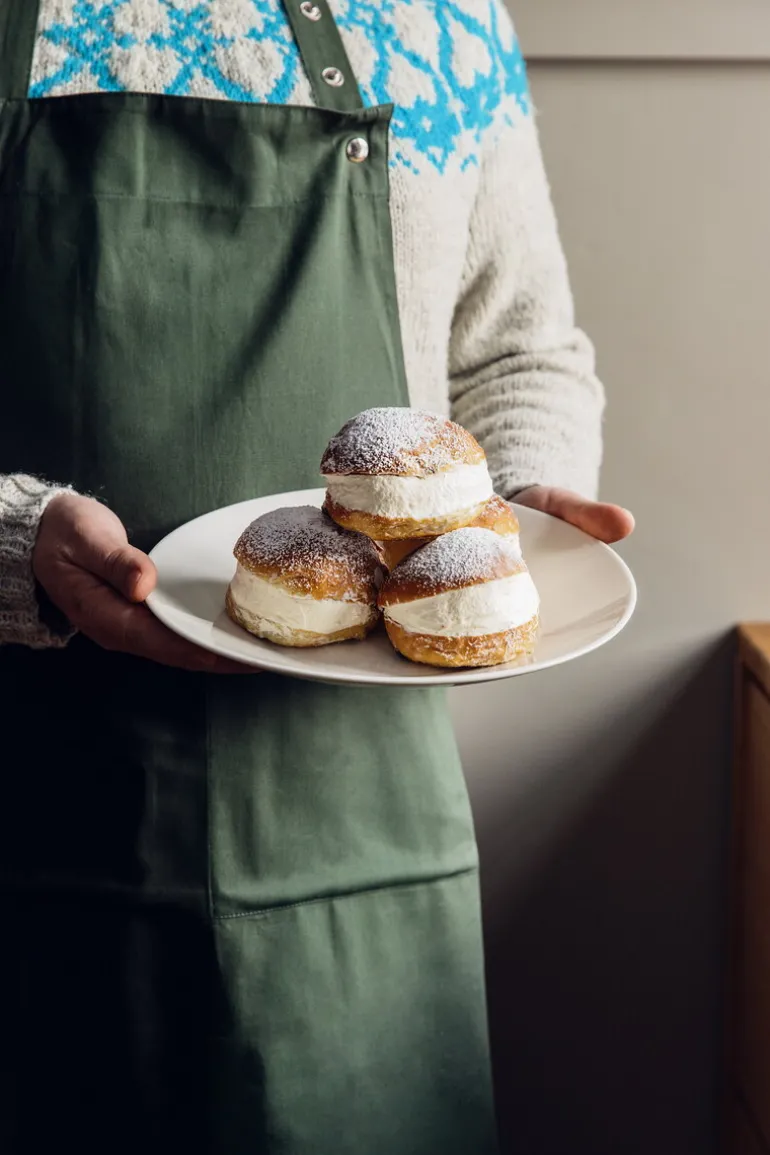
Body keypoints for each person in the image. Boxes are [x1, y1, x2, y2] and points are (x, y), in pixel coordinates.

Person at [0, 2, 634, 1153]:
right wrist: (17, 537)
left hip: (363, 831)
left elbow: (516, 347)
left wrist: (514, 513)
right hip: (30, 806)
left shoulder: (438, 18)